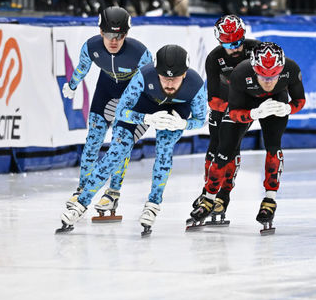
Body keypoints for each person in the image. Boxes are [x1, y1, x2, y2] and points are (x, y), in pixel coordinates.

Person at [57, 45, 207, 235]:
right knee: (116, 152)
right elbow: (121, 111)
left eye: (174, 79)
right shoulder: (144, 76)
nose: (169, 83)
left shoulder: (195, 85)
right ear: (156, 72)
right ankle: (81, 203)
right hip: (143, 107)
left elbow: (201, 119)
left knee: (164, 150)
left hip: (176, 113)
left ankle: (153, 203)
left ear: (185, 75)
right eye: (164, 77)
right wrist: (145, 119)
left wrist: (183, 124)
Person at [188, 42, 306, 233]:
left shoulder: (291, 69)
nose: (268, 82)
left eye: (273, 75)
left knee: (273, 147)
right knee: (224, 149)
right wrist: (253, 113)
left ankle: (269, 199)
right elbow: (233, 112)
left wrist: (287, 108)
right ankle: (210, 198)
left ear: (282, 69)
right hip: (245, 102)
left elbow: (300, 100)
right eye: (262, 75)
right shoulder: (241, 73)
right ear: (254, 68)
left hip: (276, 101)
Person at [61, 7, 152, 220]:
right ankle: (82, 189)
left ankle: (112, 193)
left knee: (120, 143)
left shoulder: (140, 52)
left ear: (126, 34)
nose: (114, 40)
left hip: (133, 95)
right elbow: (83, 67)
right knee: (92, 141)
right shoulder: (91, 46)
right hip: (106, 90)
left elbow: (151, 83)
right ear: (101, 32)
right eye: (109, 34)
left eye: (119, 35)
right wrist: (73, 84)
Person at [192, 15, 261, 223]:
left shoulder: (255, 50)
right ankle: (208, 191)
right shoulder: (214, 58)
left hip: (245, 106)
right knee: (214, 146)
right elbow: (212, 98)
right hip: (222, 105)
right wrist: (228, 109)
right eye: (229, 44)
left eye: (239, 41)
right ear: (219, 41)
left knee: (230, 147)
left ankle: (223, 196)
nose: (236, 48)